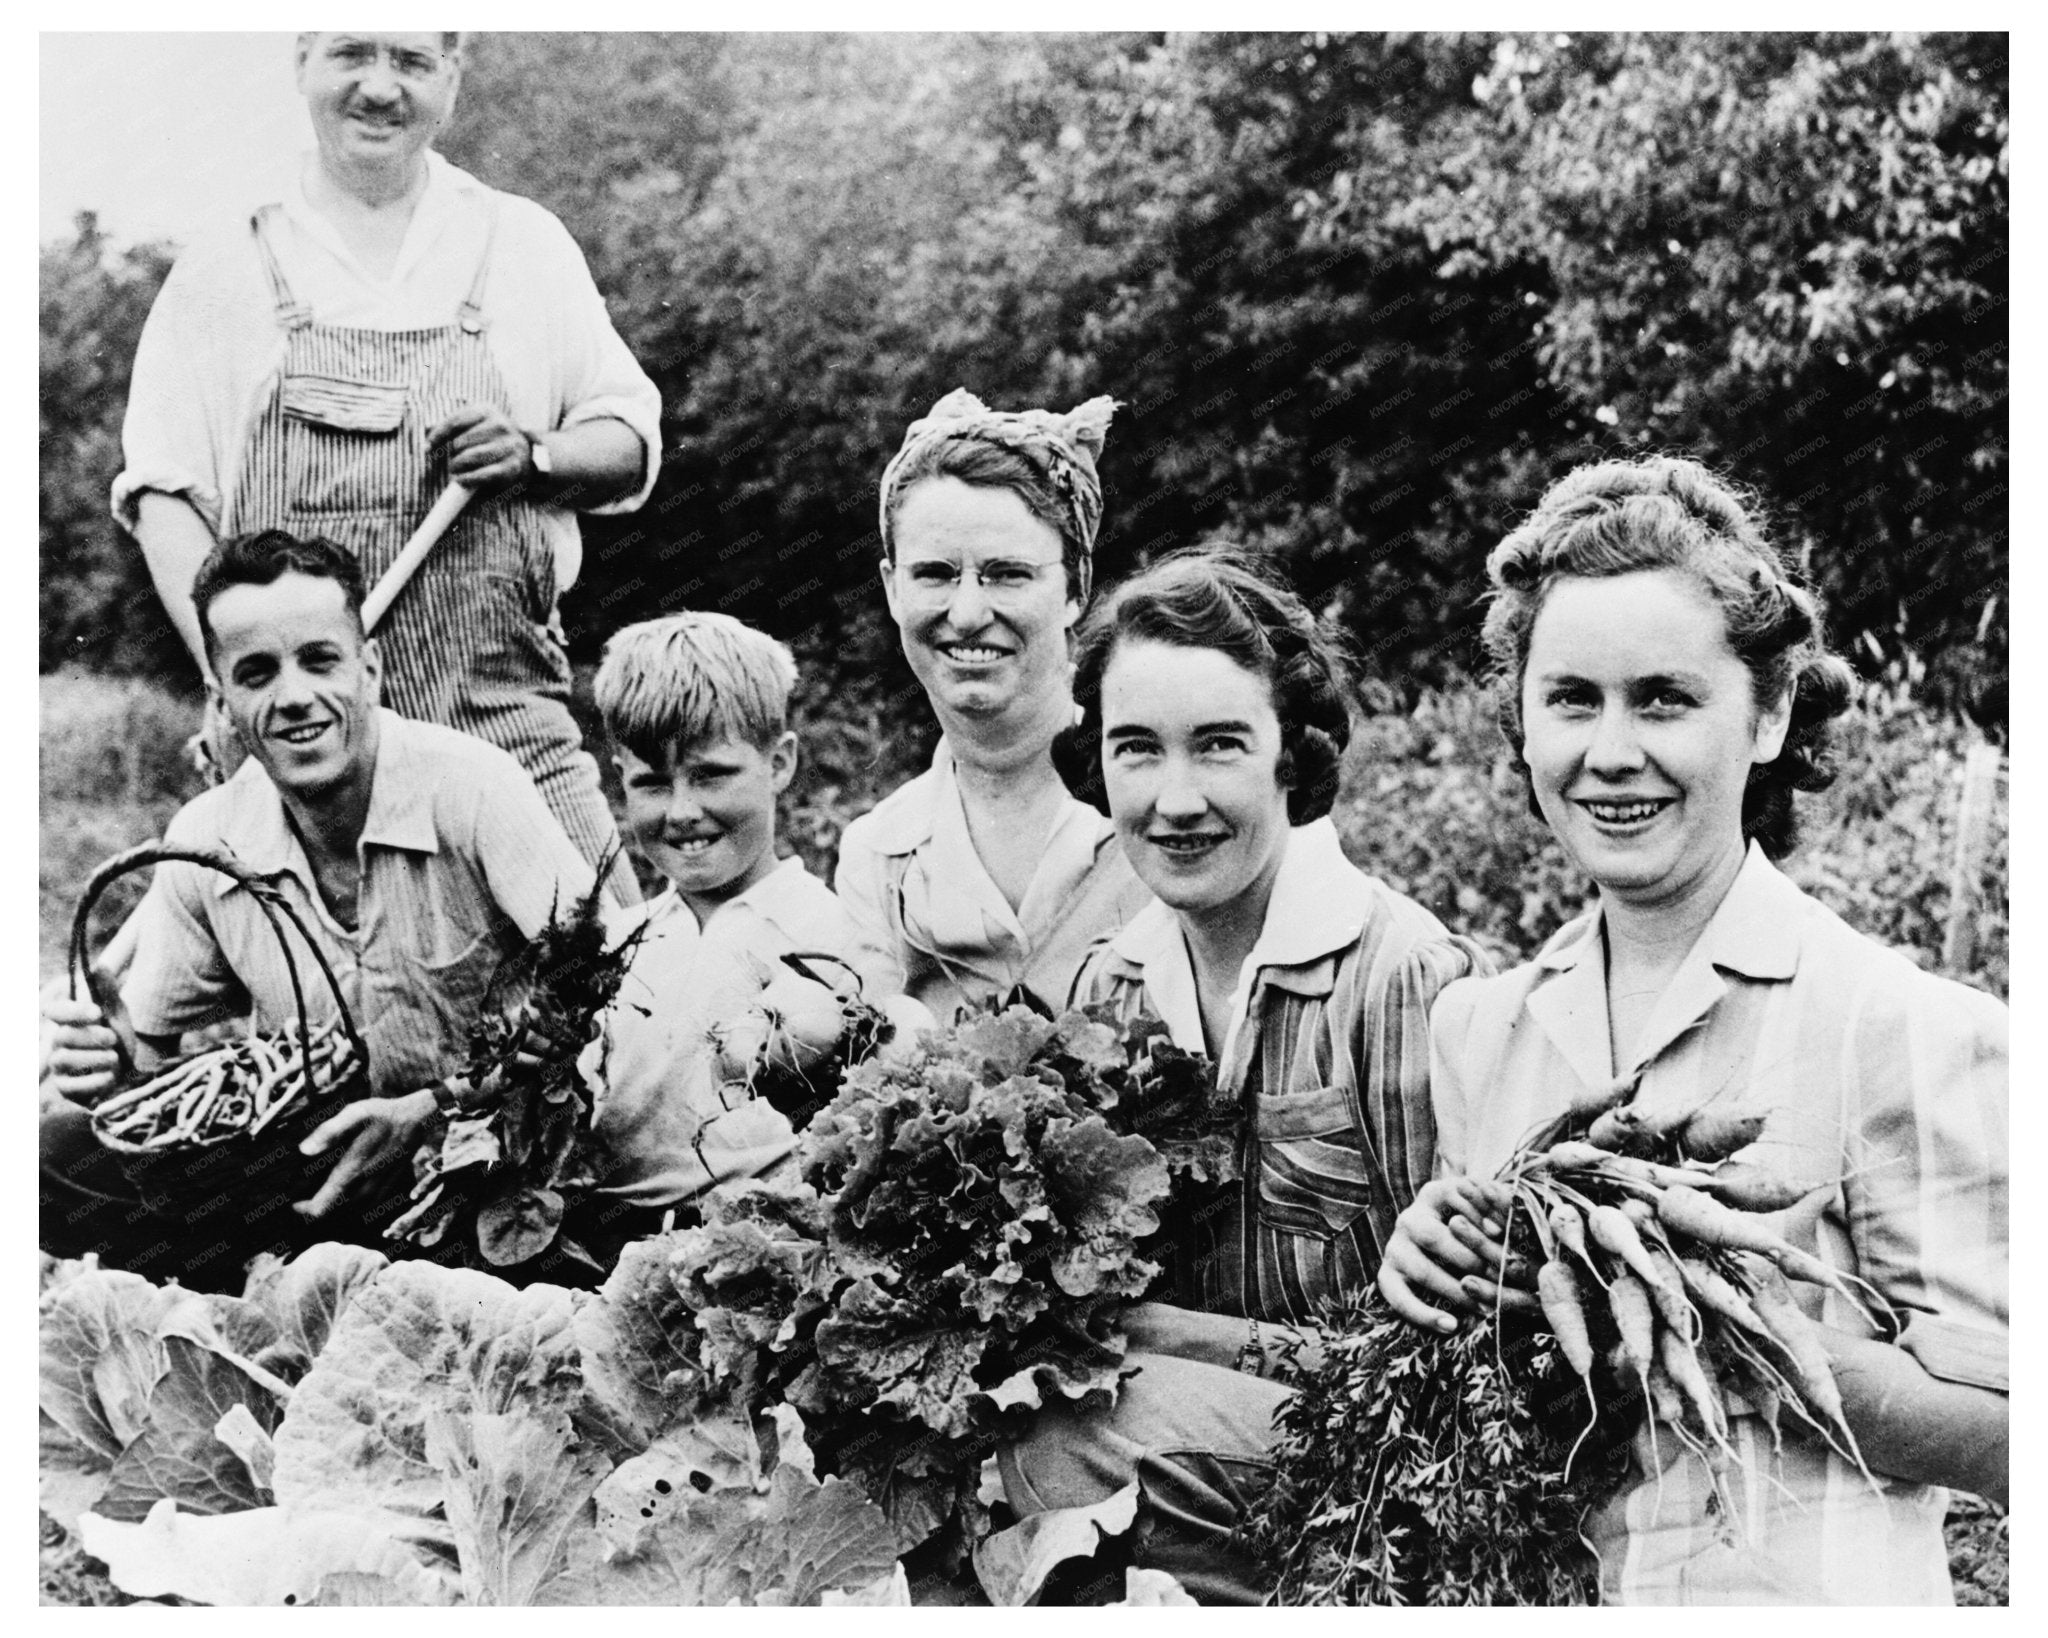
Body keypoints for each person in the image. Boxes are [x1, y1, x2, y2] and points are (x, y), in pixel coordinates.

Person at [1377, 456, 2009, 1604]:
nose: (1609, 751)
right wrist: (1431, 1272)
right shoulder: (1478, 1028)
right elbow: (1504, 1378)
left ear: (1767, 715)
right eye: (1570, 698)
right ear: (1520, 720)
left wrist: (1744, 1345)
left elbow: (2014, 1435)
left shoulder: (1894, 1022)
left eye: (1661, 699)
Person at [996, 549, 1491, 1604]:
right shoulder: (1108, 984)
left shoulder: (1398, 971)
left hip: (1381, 1454)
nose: (1175, 800)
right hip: (1192, 1444)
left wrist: (1160, 1344)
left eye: (1218, 746)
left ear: (1290, 758)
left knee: (1055, 1439)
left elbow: (1454, 1337)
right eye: (1137, 750)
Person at [115, 31, 660, 904]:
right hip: (303, 755)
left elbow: (628, 438)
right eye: (351, 56)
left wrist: (535, 456)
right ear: (300, 64)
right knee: (323, 1026)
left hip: (504, 733)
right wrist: (243, 676)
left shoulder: (521, 244)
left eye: (410, 61)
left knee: (620, 993)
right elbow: (163, 496)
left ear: (453, 75)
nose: (379, 88)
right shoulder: (228, 263)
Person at [40, 529, 597, 1292]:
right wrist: (111, 1061)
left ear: (369, 669)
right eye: (258, 673)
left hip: (487, 1164)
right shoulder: (208, 839)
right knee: (51, 1160)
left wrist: (431, 1114)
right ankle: (250, 1304)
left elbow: (604, 989)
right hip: (315, 1171)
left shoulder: (473, 790)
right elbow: (148, 1058)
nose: (295, 696)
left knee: (504, 1287)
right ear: (223, 702)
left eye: (319, 660)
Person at [834, 389, 1153, 1021]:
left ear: (1074, 590)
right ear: (891, 589)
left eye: (1008, 573)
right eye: (935, 574)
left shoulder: (1164, 799)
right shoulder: (878, 855)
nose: (969, 613)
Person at [578, 611, 899, 1238]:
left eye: (710, 776)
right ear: (621, 781)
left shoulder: (833, 939)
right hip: (598, 1243)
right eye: (651, 784)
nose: (682, 812)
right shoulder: (616, 942)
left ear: (778, 764)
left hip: (758, 1247)